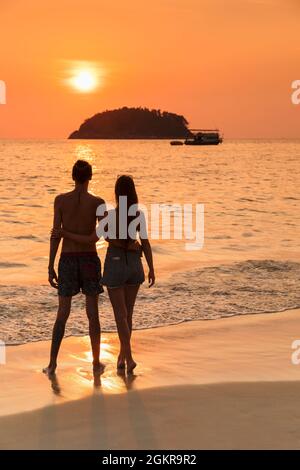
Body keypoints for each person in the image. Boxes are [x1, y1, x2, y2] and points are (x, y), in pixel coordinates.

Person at [53, 175, 155, 374]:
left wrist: (65, 233)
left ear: (117, 193)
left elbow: (98, 238)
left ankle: (129, 357)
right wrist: (151, 267)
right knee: (129, 314)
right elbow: (145, 242)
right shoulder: (138, 214)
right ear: (133, 192)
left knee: (120, 316)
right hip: (134, 265)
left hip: (116, 264)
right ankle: (122, 358)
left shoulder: (110, 215)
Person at [44, 160, 105, 376]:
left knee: (62, 314)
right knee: (92, 314)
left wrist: (51, 264)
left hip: (67, 259)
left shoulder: (60, 201)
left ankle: (52, 365)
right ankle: (96, 364)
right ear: (90, 177)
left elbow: (55, 235)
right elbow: (96, 238)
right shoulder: (98, 203)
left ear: (73, 177)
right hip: (89, 259)